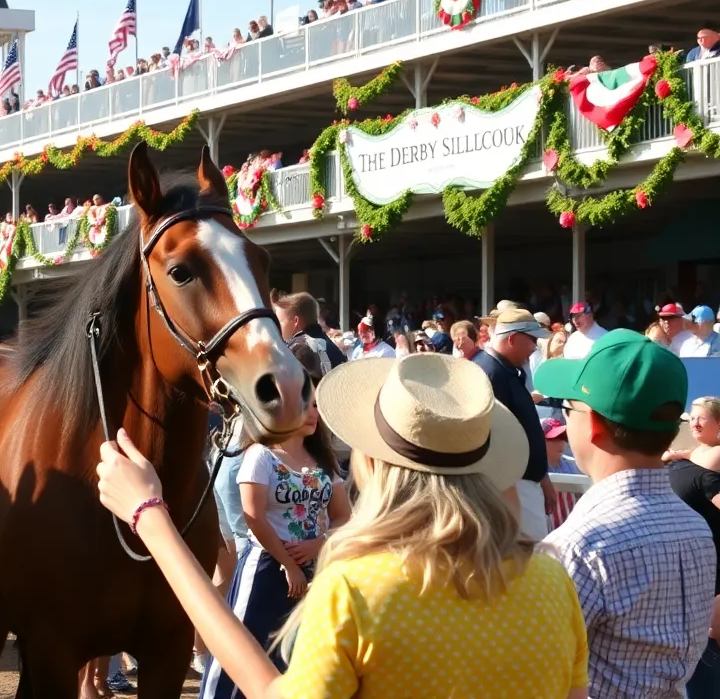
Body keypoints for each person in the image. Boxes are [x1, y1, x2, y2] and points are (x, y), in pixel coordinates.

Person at [96, 353, 589, 698]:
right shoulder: (551, 581)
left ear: (372, 463)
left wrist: (151, 518)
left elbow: (273, 693)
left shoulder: (357, 588)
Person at [537, 329, 715, 699]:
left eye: (569, 408)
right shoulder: (696, 528)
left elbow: (538, 674)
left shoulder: (577, 547)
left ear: (595, 425)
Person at [199, 343, 349, 698]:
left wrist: (319, 544)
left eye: (317, 407)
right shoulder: (261, 455)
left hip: (314, 567)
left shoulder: (324, 461)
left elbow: (343, 515)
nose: (314, 414)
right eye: (307, 406)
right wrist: (288, 563)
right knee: (240, 645)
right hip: (266, 566)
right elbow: (253, 517)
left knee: (295, 656)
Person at [473, 309, 553, 539]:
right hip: (511, 487)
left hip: (523, 483)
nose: (534, 347)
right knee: (529, 561)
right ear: (512, 339)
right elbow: (492, 442)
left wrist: (542, 476)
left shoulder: (504, 370)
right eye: (532, 340)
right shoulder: (490, 373)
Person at [664, 396, 720, 696]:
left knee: (709, 640)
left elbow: (700, 471)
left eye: (703, 418)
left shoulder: (711, 458)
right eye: (692, 418)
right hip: (695, 558)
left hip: (713, 562)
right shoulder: (697, 454)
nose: (695, 423)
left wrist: (676, 459)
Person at [271, 291, 346, 368]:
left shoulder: (298, 349)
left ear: (296, 321)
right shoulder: (327, 343)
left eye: (280, 321)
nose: (276, 325)